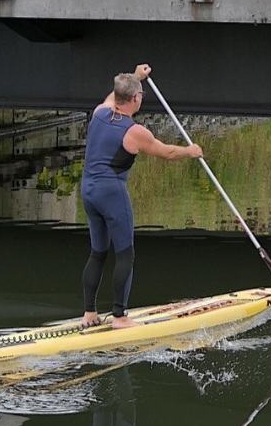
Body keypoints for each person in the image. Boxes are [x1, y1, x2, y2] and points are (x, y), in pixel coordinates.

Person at [80, 63, 203, 329]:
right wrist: (190, 151)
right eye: (140, 95)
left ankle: (89, 313)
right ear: (136, 99)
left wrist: (136, 77)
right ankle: (120, 317)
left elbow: (115, 94)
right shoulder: (134, 131)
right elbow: (167, 153)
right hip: (110, 192)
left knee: (98, 252)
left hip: (88, 190)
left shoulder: (99, 111)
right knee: (125, 254)